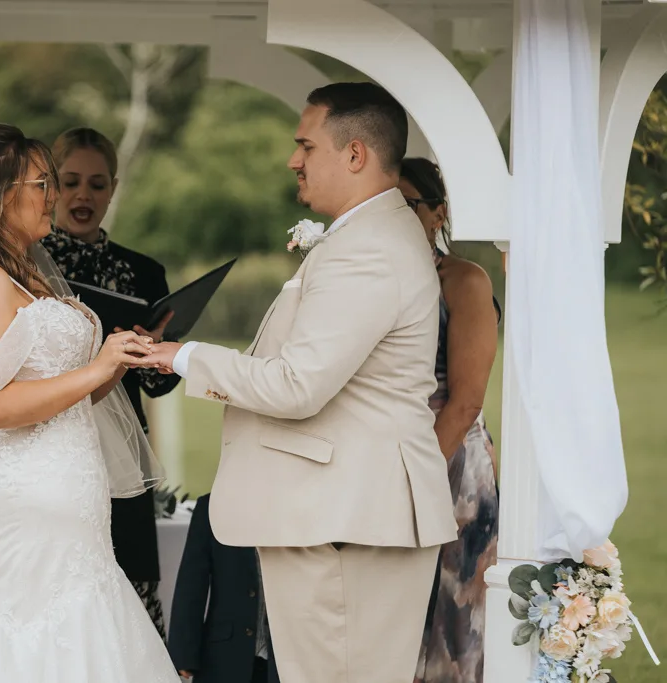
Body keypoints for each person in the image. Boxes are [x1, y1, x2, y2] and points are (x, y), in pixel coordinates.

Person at [141, 82, 457, 683]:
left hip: (346, 518)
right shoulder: (372, 236)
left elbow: (296, 386)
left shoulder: (367, 248)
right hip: (346, 513)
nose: (293, 160)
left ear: (355, 154)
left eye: (306, 145)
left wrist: (182, 357)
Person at [0, 123, 179, 682]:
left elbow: (68, 396)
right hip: (24, 499)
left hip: (73, 495)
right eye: (42, 183)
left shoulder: (31, 277)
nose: (54, 196)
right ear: (1, 196)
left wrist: (115, 362)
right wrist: (96, 366)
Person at [40, 126, 181, 637]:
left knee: (126, 594)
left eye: (97, 185)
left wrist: (161, 352)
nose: (84, 196)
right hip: (49, 445)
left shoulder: (145, 272)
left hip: (121, 453)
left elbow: (159, 391)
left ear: (113, 189)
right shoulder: (23, 266)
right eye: (71, 182)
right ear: (49, 187)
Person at [399, 158, 500, 683]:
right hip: (388, 462)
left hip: (448, 462)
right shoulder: (373, 279)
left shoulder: (463, 280)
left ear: (439, 213)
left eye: (407, 205)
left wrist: (414, 483)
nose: (393, 216)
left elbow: (464, 403)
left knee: (455, 621)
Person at [168, 494, 276, 683]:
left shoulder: (301, 501)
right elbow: (192, 580)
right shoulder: (213, 505)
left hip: (286, 657)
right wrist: (184, 651)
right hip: (225, 655)